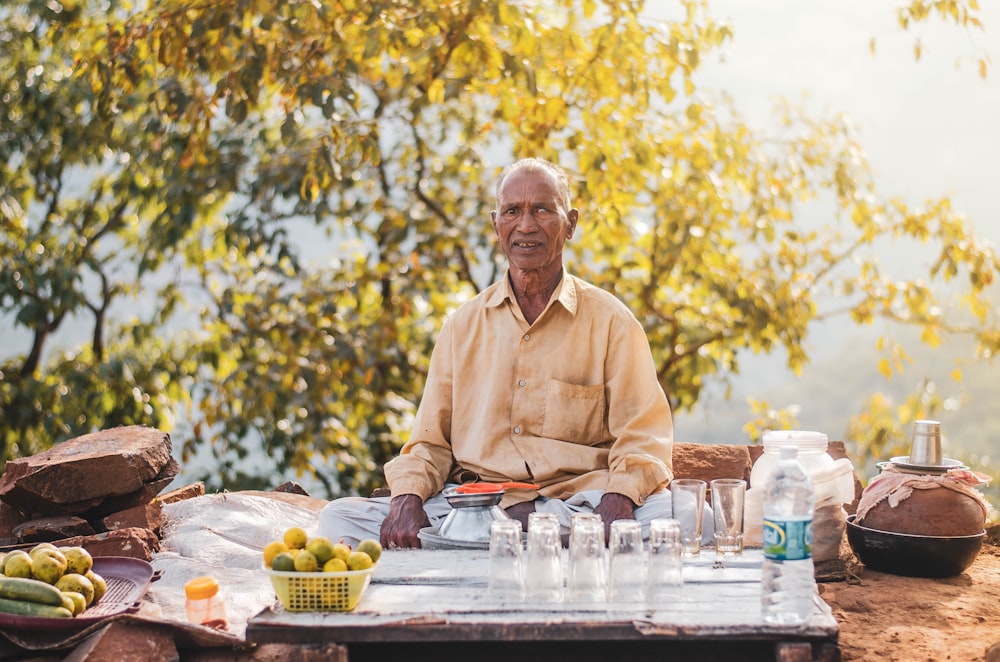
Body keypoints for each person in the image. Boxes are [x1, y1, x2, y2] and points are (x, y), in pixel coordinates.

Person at [318, 157, 712, 548]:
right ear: (496, 224)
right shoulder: (462, 327)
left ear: (570, 223)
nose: (526, 225)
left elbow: (643, 437)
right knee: (339, 518)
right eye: (513, 211)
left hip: (576, 508)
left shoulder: (612, 323)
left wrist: (619, 499)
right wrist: (406, 498)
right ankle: (508, 548)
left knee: (694, 517)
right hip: (475, 510)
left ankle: (500, 551)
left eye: (542, 209)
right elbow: (429, 443)